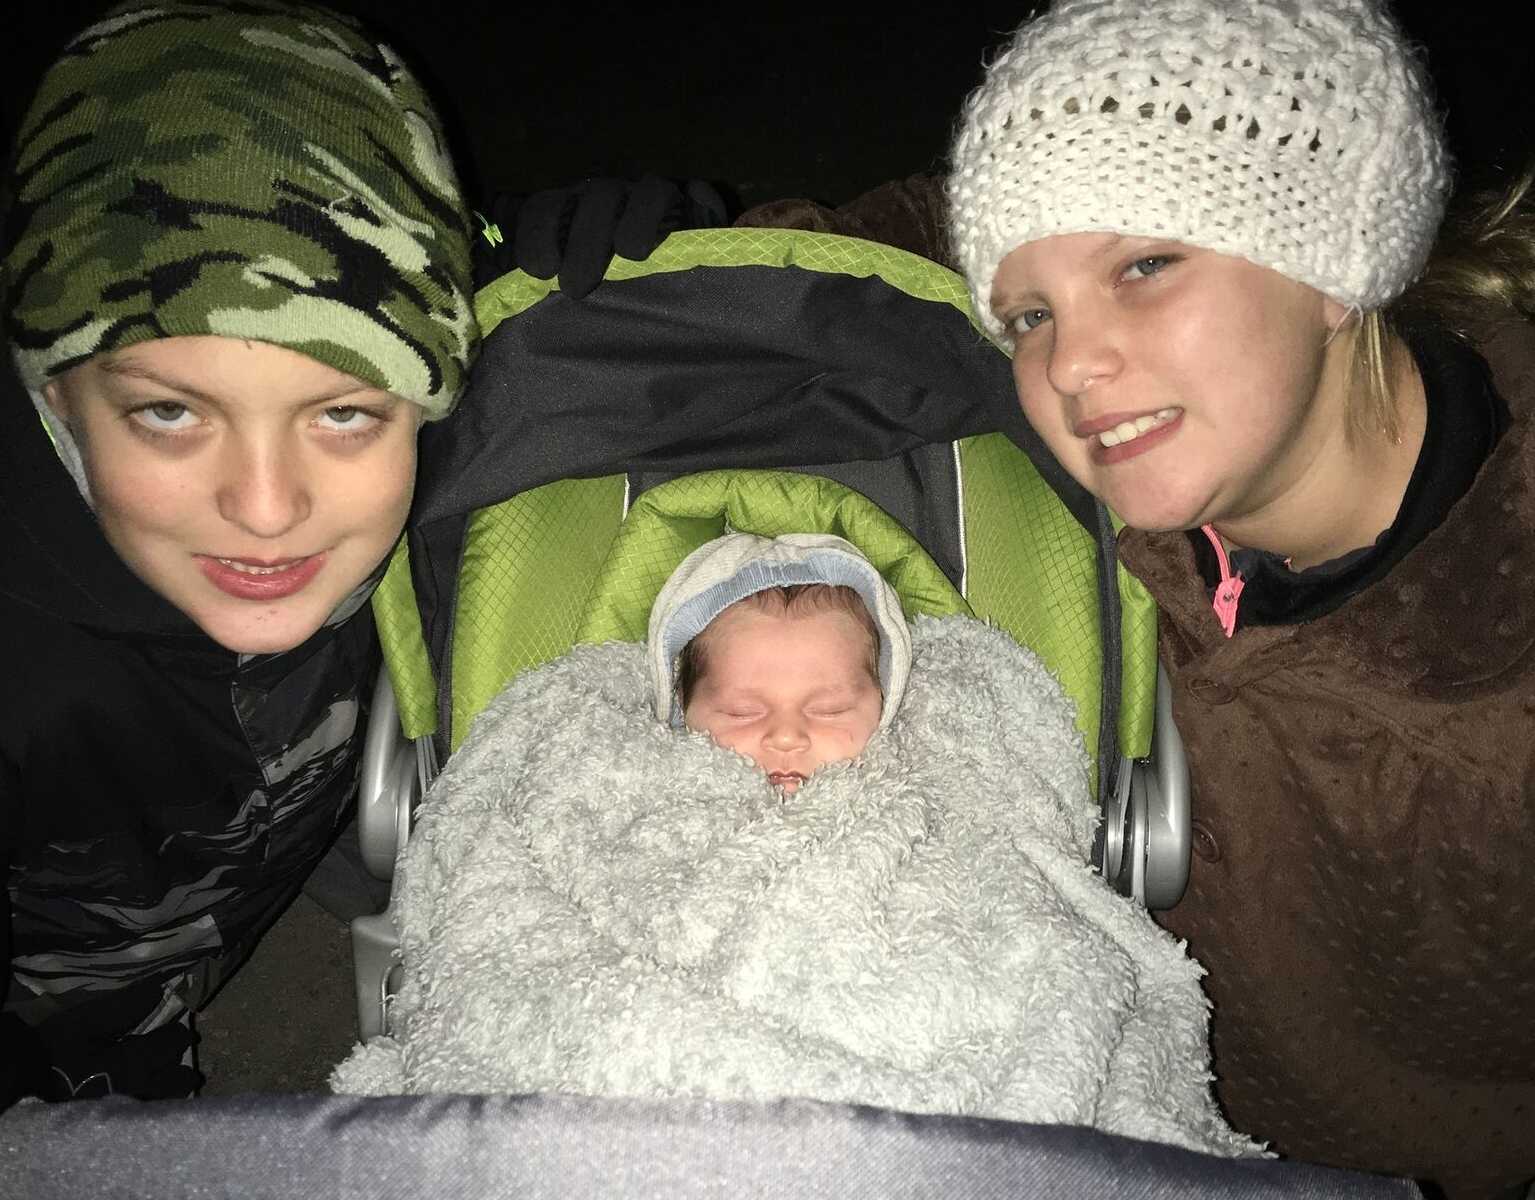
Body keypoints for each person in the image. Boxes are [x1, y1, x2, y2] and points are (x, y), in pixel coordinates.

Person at [944, 1, 1535, 1195]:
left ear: (1334, 263)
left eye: (1145, 265)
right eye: (1027, 316)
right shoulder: (1191, 437)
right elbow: (910, 220)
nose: (1068, 366)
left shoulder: (1494, 711)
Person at [330, 531, 1257, 1160]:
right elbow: (515, 901)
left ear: (885, 707)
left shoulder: (932, 788)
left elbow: (1020, 912)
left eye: (827, 710)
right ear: (675, 709)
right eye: (739, 711)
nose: (784, 739)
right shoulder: (613, 779)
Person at [0, 0, 481, 1105]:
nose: (266, 511)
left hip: (272, 855)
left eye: (344, 415)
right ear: (54, 393)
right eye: (171, 414)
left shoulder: (428, 435)